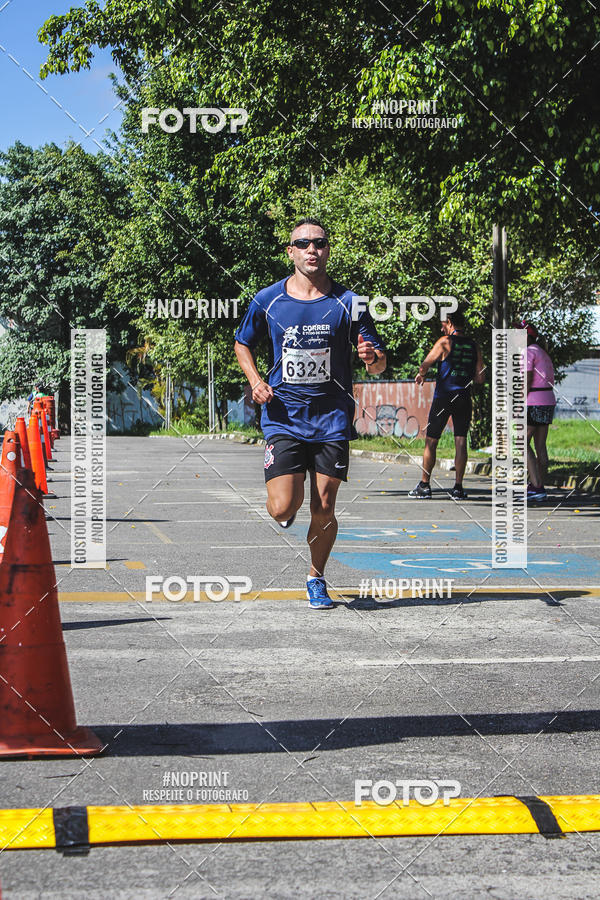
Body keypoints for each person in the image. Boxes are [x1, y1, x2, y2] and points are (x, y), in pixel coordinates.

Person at [234, 218, 387, 609]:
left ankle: (316, 576)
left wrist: (372, 357)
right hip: (283, 415)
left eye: (319, 243)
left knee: (325, 505)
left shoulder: (350, 303)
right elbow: (241, 344)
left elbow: (377, 364)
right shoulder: (267, 300)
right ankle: (286, 499)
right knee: (284, 506)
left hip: (331, 418)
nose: (312, 249)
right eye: (303, 243)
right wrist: (254, 381)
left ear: (327, 250)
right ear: (291, 252)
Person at [409, 309, 485, 500]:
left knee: (431, 440)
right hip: (463, 397)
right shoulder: (473, 346)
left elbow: (425, 364)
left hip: (444, 397)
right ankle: (458, 488)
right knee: (460, 440)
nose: (442, 327)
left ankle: (425, 485)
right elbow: (480, 377)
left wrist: (422, 375)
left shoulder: (445, 342)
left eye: (444, 323)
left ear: (450, 322)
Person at [522, 321, 555, 502]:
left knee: (521, 442)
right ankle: (539, 484)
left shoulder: (528, 353)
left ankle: (536, 486)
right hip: (548, 400)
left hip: (533, 401)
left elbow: (526, 381)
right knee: (540, 446)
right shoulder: (543, 353)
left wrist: (518, 404)